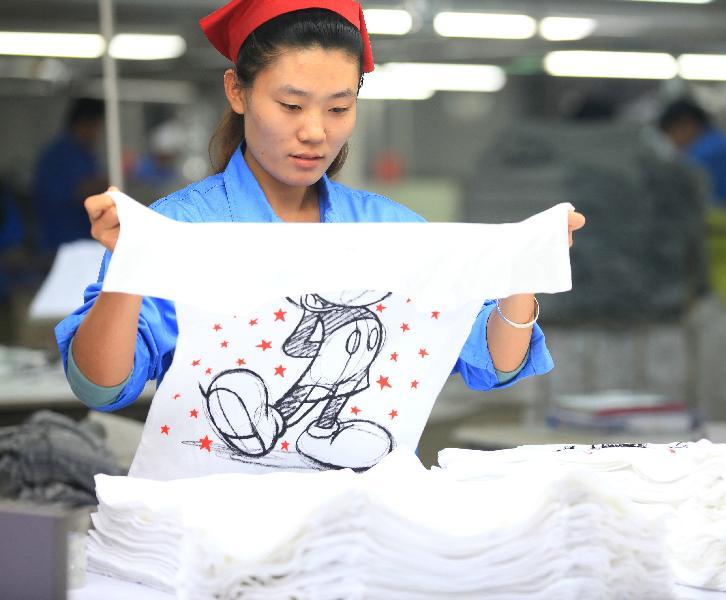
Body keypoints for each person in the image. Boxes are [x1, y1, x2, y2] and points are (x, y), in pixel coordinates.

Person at [55, 0, 585, 470]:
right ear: (237, 91)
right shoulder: (180, 228)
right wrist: (129, 265)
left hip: (359, 524)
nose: (315, 131)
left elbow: (495, 363)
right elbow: (99, 386)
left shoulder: (389, 230)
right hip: (210, 523)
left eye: (338, 108)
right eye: (291, 105)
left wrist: (525, 266)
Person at [32, 98, 109, 252]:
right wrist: (113, 180)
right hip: (62, 241)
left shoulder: (85, 154)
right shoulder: (59, 155)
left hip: (83, 240)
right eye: (96, 126)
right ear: (84, 123)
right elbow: (77, 190)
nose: (97, 133)